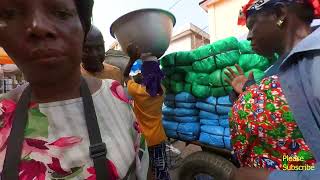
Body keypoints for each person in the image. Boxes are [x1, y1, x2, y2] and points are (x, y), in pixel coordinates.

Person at [0, 0, 149, 179]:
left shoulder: (114, 93)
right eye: (10, 14)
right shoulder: (3, 112)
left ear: (82, 28)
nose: (37, 26)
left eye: (61, 13)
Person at [225, 0, 320, 179]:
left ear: (280, 15)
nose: (248, 36)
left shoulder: (315, 59)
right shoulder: (279, 68)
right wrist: (248, 91)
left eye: (252, 26)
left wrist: (270, 177)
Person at [123, 45, 170, 180]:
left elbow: (125, 75)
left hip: (144, 140)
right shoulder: (162, 91)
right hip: (159, 137)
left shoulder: (137, 91)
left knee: (144, 172)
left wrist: (132, 59)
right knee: (161, 171)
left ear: (143, 73)